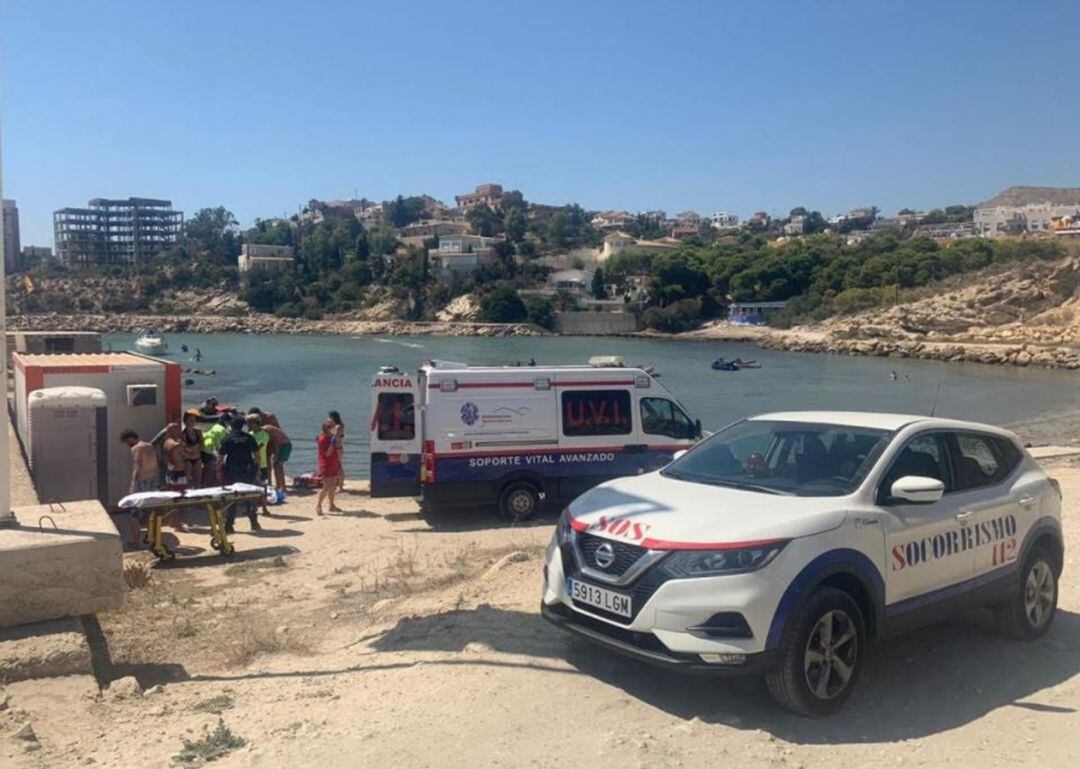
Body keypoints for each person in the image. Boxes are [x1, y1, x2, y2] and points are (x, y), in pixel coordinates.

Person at [218, 416, 261, 532]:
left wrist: (219, 469)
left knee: (233, 497)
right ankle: (254, 522)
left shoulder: (227, 438)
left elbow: (221, 458)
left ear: (231, 426)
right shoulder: (249, 437)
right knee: (248, 495)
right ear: (243, 426)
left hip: (233, 470)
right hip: (248, 469)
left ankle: (229, 525)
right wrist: (257, 470)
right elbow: (257, 455)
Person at [120, 429, 159, 548]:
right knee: (152, 511)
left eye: (127, 442)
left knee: (135, 513)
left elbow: (137, 468)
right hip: (154, 480)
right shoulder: (150, 446)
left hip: (142, 482)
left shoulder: (136, 448)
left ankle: (136, 542)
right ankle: (154, 538)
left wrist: (132, 487)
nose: (128, 445)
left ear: (130, 438)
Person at [315, 418, 342, 516]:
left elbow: (338, 449)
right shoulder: (322, 439)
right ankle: (318, 505)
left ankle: (331, 505)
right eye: (332, 427)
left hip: (334, 462)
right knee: (327, 486)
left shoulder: (333, 437)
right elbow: (327, 453)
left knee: (333, 485)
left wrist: (336, 439)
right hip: (325, 464)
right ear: (327, 428)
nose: (334, 428)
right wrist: (333, 441)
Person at [201, 412, 231, 485]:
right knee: (216, 467)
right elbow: (224, 445)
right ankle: (213, 483)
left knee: (207, 467)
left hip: (202, 447)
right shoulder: (224, 431)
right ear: (226, 422)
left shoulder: (215, 426)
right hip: (210, 449)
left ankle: (205, 482)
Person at [264, 422, 293, 493]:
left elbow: (276, 443)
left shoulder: (267, 430)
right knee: (277, 466)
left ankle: (281, 487)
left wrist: (276, 455)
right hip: (283, 445)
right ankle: (281, 486)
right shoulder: (266, 428)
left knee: (278, 465)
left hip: (284, 445)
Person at [181, 411, 204, 487]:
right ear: (185, 421)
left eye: (194, 420)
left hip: (197, 458)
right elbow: (184, 448)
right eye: (190, 420)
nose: (193, 422)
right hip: (187, 460)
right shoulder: (183, 433)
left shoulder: (198, 432)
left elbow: (202, 445)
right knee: (189, 480)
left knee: (199, 480)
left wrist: (192, 449)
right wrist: (194, 448)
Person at [328, 410, 346, 491]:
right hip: (335, 447)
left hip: (337, 448)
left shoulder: (339, 426)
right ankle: (335, 484)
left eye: (330, 417)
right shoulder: (334, 426)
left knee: (338, 466)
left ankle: (340, 486)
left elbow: (335, 437)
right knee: (334, 466)